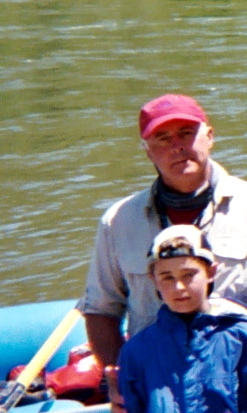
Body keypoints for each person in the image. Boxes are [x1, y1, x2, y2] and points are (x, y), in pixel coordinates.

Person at [82, 93, 247, 369]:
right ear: (147, 150)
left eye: (186, 133)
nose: (176, 147)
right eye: (162, 138)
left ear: (209, 136)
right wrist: (119, 380)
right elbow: (101, 310)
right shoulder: (118, 222)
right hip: (157, 381)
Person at [117, 225, 247, 413]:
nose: (179, 287)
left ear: (211, 272)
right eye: (167, 277)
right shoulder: (136, 351)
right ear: (154, 279)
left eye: (188, 275)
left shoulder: (240, 336)